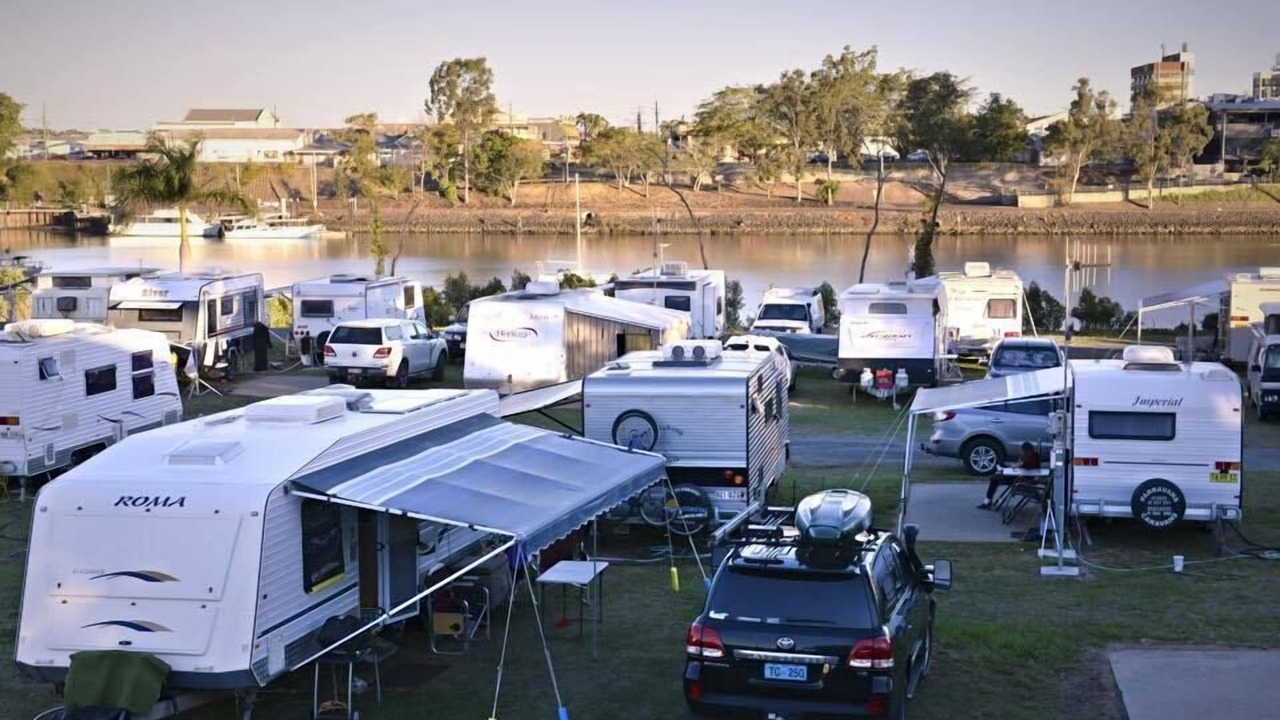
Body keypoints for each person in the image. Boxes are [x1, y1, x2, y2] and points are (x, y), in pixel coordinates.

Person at [977, 442, 1041, 510]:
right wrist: (1018, 464)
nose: (1021, 452)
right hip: (1019, 477)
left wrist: (1018, 465)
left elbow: (1025, 466)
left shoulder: (1031, 459)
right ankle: (997, 475)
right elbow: (1022, 465)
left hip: (1021, 480)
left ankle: (987, 501)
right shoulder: (1032, 457)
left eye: (1022, 451)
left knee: (995, 479)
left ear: (1025, 450)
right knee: (998, 472)